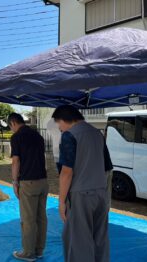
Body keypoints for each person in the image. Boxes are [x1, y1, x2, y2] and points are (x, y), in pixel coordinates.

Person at [52, 105, 110, 262]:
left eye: (58, 123)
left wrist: (61, 201)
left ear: (65, 119)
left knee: (78, 242)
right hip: (101, 192)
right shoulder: (97, 134)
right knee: (100, 239)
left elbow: (66, 172)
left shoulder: (70, 135)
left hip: (81, 195)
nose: (59, 128)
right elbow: (107, 167)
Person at [8, 113, 49, 262]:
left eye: (10, 126)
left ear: (13, 123)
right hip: (43, 181)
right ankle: (39, 250)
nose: (11, 129)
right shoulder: (38, 136)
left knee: (28, 219)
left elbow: (15, 162)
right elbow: (43, 158)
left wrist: (14, 182)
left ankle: (28, 253)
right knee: (41, 217)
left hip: (28, 182)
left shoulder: (17, 137)